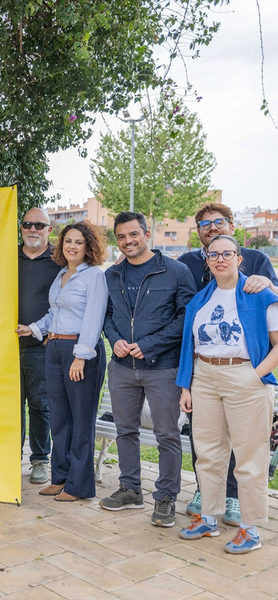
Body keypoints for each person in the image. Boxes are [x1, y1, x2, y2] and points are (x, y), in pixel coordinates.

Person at [176, 235, 278, 554]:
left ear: (238, 258)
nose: (220, 259)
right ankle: (208, 518)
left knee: (249, 455)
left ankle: (249, 528)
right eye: (213, 254)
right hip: (205, 376)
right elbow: (189, 347)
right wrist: (186, 386)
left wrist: (254, 376)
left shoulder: (259, 294)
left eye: (227, 253)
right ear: (206, 260)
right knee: (207, 451)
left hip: (245, 374)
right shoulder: (200, 300)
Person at [98, 212, 196, 527]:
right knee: (125, 430)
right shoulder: (111, 275)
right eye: (122, 237)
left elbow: (186, 318)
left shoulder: (176, 271)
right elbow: (107, 315)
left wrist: (151, 344)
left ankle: (165, 497)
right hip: (123, 367)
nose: (128, 241)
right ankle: (130, 489)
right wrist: (113, 339)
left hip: (162, 368)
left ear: (147, 233)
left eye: (133, 234)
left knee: (167, 434)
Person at [16, 221, 107, 502]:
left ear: (88, 246)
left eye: (78, 242)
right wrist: (32, 329)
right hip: (53, 348)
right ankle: (61, 477)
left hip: (79, 351)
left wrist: (81, 357)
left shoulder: (94, 277)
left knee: (81, 420)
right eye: (68, 241)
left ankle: (79, 486)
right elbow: (53, 314)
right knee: (59, 418)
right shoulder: (61, 276)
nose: (72, 246)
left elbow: (93, 318)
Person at [17, 208, 60, 483]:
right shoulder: (6, 256)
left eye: (39, 225)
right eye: (27, 224)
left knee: (40, 405)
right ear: (21, 228)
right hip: (5, 345)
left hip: (40, 345)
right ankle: (9, 456)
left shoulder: (59, 259)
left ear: (49, 230)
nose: (33, 229)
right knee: (9, 405)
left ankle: (40, 460)